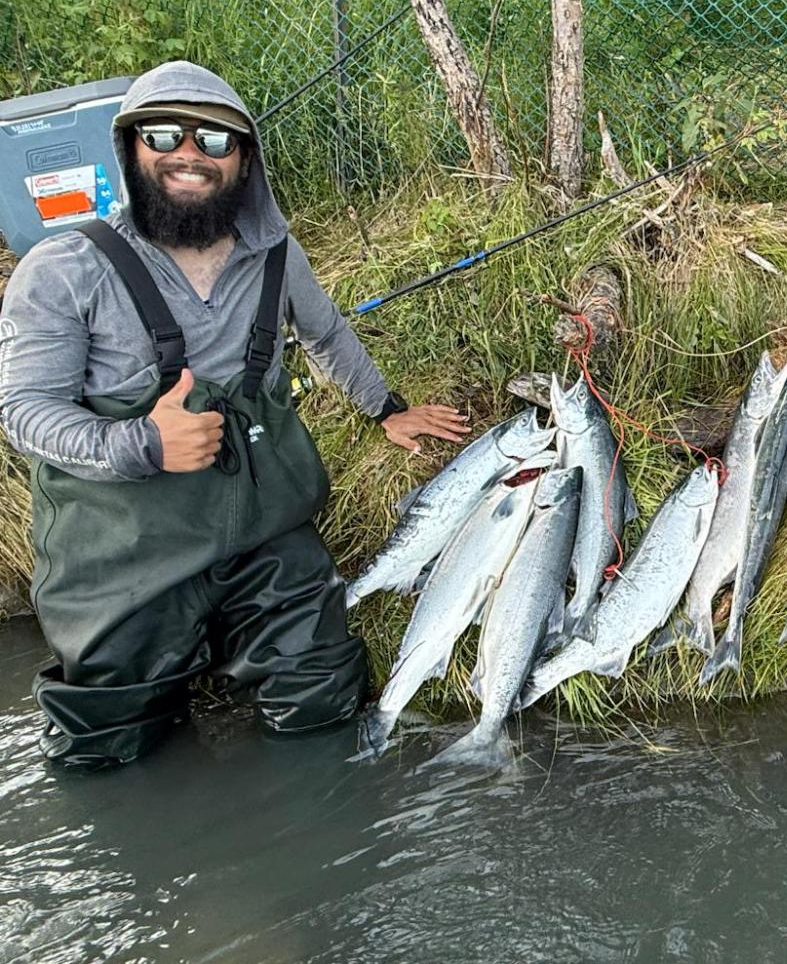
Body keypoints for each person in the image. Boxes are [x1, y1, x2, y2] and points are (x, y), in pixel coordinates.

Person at [0, 60, 470, 768]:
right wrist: (142, 444)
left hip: (262, 536)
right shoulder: (65, 267)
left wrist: (386, 410)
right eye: (163, 134)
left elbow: (327, 334)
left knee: (324, 699)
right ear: (131, 149)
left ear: (244, 160)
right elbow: (24, 410)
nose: (188, 153)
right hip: (122, 556)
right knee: (107, 748)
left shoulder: (275, 255)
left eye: (214, 140)